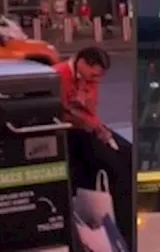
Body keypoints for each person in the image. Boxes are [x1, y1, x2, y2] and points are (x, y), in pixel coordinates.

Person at [54, 47, 132, 245]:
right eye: (94, 74)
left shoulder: (90, 80)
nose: (96, 80)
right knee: (113, 164)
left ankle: (126, 224)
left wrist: (100, 129)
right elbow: (59, 110)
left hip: (88, 126)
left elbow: (91, 110)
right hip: (68, 129)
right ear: (82, 63)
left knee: (127, 152)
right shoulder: (58, 75)